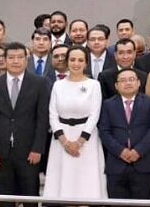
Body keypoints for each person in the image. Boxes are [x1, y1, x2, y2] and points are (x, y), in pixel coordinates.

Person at [0, 42, 50, 198]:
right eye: (11, 57)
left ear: (27, 60)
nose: (15, 61)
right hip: (1, 152)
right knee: (4, 197)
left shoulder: (39, 83)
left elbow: (42, 119)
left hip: (29, 152)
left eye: (20, 57)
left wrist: (37, 148)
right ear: (4, 60)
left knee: (29, 196)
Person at [43, 47, 107, 201]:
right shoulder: (58, 85)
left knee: (86, 182)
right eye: (72, 60)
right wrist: (65, 142)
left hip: (87, 140)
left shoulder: (94, 85)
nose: (76, 63)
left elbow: (94, 114)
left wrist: (79, 142)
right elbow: (52, 114)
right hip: (61, 139)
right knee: (62, 181)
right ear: (67, 62)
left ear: (86, 63)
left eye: (80, 60)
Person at [97, 68, 150, 199]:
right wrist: (121, 151)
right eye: (123, 80)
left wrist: (138, 151)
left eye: (131, 79)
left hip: (142, 163)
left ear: (139, 83)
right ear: (116, 86)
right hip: (116, 164)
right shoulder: (108, 105)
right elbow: (104, 131)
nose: (128, 83)